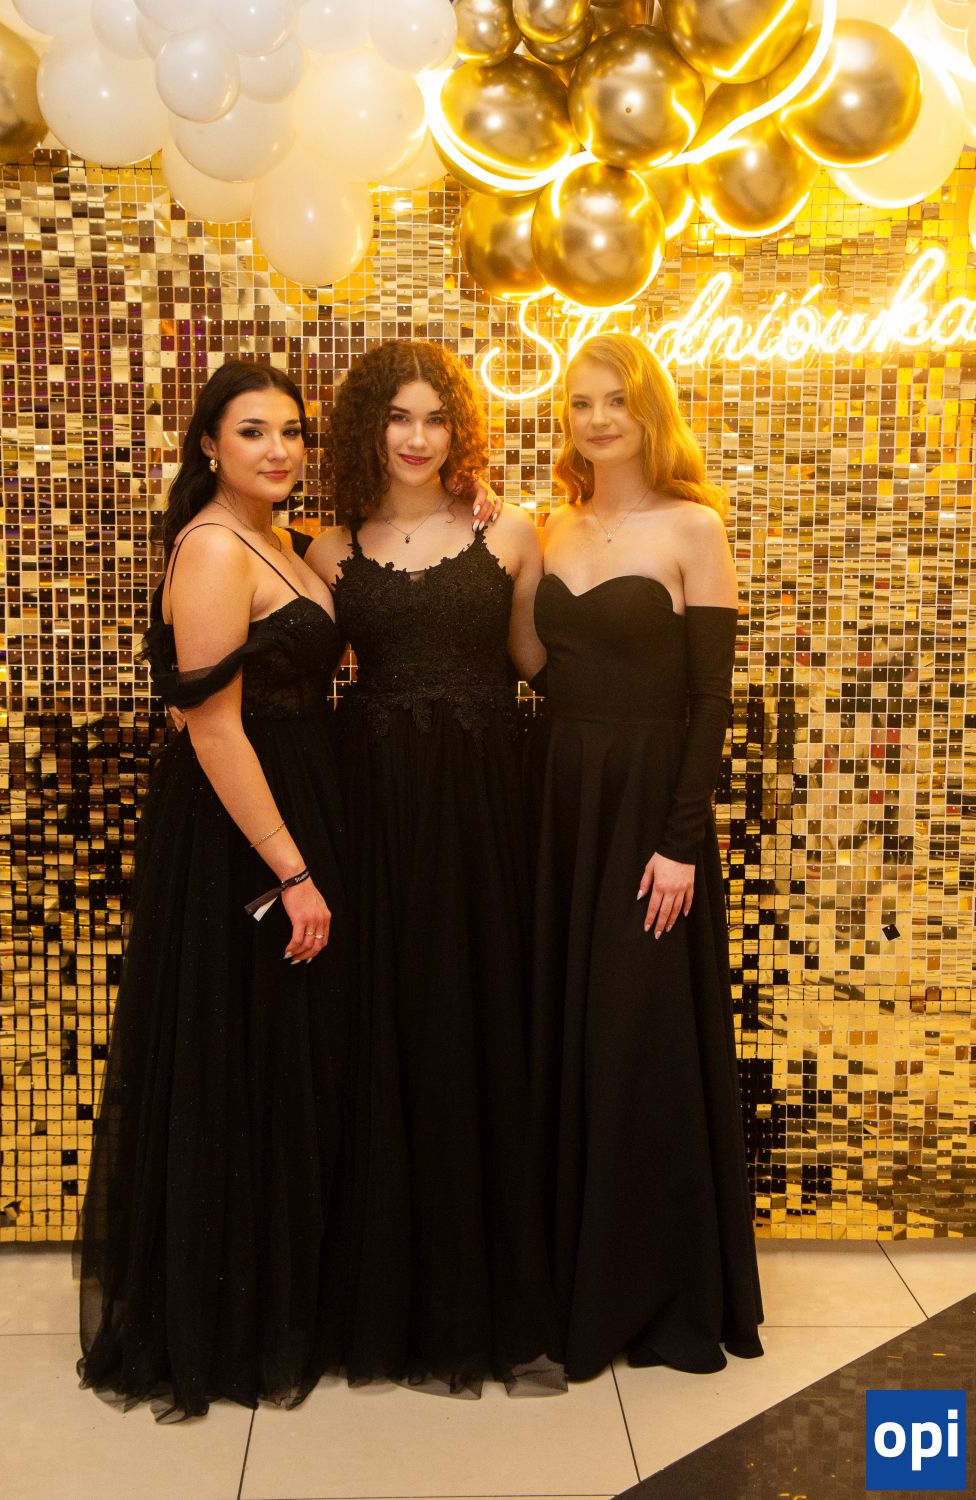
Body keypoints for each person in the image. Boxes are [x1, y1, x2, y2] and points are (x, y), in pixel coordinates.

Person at [77, 362, 354, 1421]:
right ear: (208, 445)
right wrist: (291, 870)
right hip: (245, 836)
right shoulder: (209, 547)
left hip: (299, 807)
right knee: (239, 1061)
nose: (278, 449)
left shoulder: (279, 539)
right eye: (252, 432)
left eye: (291, 431)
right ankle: (226, 1324)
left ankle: (289, 1300)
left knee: (290, 1058)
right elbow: (212, 729)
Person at [306, 340, 565, 1398]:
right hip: (373, 811)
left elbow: (538, 662)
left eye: (435, 418)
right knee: (389, 1022)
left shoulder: (511, 530)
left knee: (479, 1015)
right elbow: (297, 676)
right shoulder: (327, 546)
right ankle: (388, 1294)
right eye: (396, 417)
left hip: (483, 806)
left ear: (460, 428)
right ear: (367, 427)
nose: (416, 438)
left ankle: (486, 1292)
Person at [526, 333, 764, 1381]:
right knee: (566, 1033)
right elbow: (536, 662)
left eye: (616, 400)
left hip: (647, 809)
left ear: (649, 410)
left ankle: (658, 1292)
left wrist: (680, 843)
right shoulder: (550, 525)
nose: (597, 419)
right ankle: (567, 1279)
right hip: (558, 798)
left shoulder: (693, 526)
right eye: (581, 403)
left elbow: (709, 701)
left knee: (636, 1043)